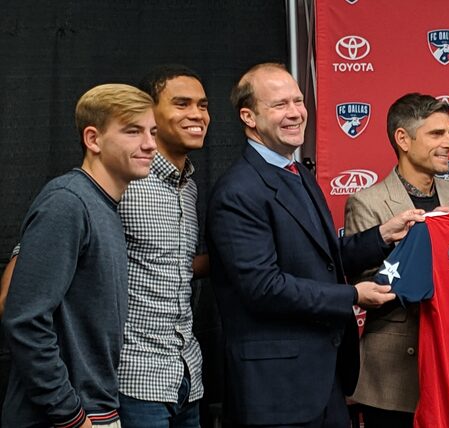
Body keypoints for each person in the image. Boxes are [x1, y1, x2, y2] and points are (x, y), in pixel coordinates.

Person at [206, 62, 424, 427]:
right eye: (279, 105)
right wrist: (354, 296)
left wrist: (382, 236)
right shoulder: (237, 192)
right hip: (277, 392)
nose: (295, 113)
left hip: (325, 384)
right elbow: (263, 288)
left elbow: (321, 261)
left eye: (298, 100)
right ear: (249, 116)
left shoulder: (299, 174)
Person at [2, 84, 157, 428]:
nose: (150, 144)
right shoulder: (67, 202)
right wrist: (71, 415)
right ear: (93, 139)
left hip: (97, 410)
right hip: (63, 418)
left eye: (152, 131)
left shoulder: (103, 207)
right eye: (133, 131)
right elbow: (24, 320)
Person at [344, 93, 449, 427]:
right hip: (393, 376)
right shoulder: (367, 202)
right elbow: (365, 288)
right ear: (403, 139)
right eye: (436, 134)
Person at [116, 65, 211, 427]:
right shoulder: (123, 179)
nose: (196, 115)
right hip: (136, 380)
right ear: (149, 112)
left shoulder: (189, 187)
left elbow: (173, 264)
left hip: (187, 377)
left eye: (202, 105)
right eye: (182, 104)